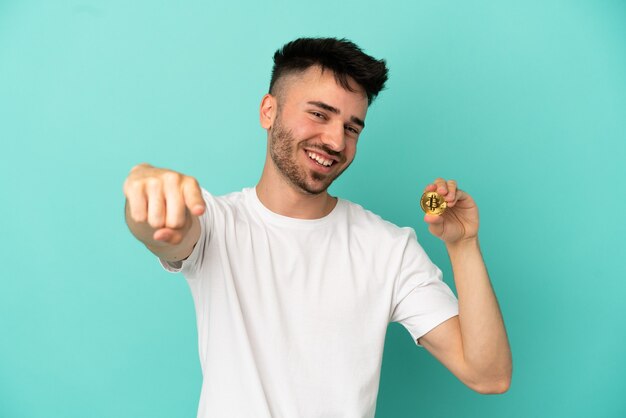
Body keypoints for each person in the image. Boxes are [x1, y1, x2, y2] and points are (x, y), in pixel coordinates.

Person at [123, 37, 512, 418]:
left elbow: (488, 375)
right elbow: (162, 229)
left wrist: (464, 246)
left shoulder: (388, 249)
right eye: (319, 114)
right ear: (268, 111)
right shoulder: (215, 224)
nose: (335, 140)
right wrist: (145, 187)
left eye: (352, 128)